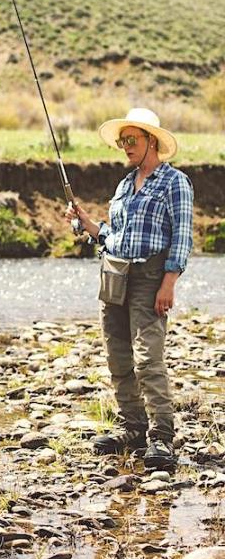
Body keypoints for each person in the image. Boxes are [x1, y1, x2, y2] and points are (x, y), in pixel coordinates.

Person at [66, 108, 193, 471]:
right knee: (118, 357)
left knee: (148, 358)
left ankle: (162, 436)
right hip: (114, 275)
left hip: (150, 278)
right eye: (122, 141)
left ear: (151, 140)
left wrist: (169, 282)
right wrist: (86, 223)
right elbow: (112, 237)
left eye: (131, 140)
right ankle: (133, 426)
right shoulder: (124, 184)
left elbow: (182, 238)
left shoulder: (175, 183)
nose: (125, 146)